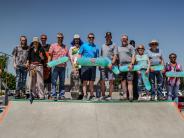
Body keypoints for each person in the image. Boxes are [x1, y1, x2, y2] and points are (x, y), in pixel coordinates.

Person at [78, 33, 99, 100]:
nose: (91, 38)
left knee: (92, 81)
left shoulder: (96, 47)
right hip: (85, 66)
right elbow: (79, 55)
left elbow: (97, 58)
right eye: (90, 37)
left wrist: (97, 64)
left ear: (94, 38)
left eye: (92, 37)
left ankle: (92, 95)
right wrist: (78, 64)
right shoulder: (83, 46)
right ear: (87, 38)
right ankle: (84, 95)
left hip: (93, 67)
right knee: (85, 81)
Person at [48, 32, 69, 101]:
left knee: (62, 82)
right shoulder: (53, 45)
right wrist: (49, 63)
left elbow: (68, 56)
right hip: (55, 66)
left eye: (61, 37)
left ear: (63, 38)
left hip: (63, 67)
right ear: (57, 38)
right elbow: (50, 55)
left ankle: (61, 95)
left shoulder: (65, 47)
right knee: (54, 81)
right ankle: (53, 95)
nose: (60, 38)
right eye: (59, 37)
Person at [100, 32, 118, 100]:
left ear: (111, 37)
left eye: (109, 36)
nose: (108, 37)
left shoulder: (114, 45)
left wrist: (112, 63)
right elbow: (101, 56)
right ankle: (103, 95)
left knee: (111, 81)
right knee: (102, 81)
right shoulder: (102, 45)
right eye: (107, 36)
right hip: (103, 66)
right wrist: (100, 64)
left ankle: (110, 96)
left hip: (111, 66)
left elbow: (115, 55)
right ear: (105, 37)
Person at [117, 34, 135, 102]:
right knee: (123, 81)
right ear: (121, 40)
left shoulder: (131, 47)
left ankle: (130, 96)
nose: (124, 40)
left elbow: (133, 56)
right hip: (121, 66)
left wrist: (132, 63)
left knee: (129, 81)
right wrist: (118, 65)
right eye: (123, 39)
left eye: (125, 39)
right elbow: (118, 57)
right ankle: (125, 95)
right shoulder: (118, 48)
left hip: (129, 65)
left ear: (127, 40)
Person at [69, 34, 83, 99]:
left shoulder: (81, 47)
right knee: (74, 81)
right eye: (75, 39)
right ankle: (74, 94)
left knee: (81, 81)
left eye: (78, 39)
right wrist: (74, 67)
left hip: (81, 66)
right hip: (75, 66)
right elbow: (71, 58)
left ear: (79, 40)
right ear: (74, 40)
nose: (76, 40)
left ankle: (81, 94)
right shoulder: (72, 48)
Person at [40, 34, 51, 99]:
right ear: (41, 39)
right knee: (41, 81)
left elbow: (50, 55)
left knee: (49, 81)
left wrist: (49, 63)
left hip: (48, 66)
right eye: (42, 38)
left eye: (44, 38)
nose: (43, 39)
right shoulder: (39, 46)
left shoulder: (49, 46)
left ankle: (49, 95)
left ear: (46, 39)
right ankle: (41, 94)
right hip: (41, 66)